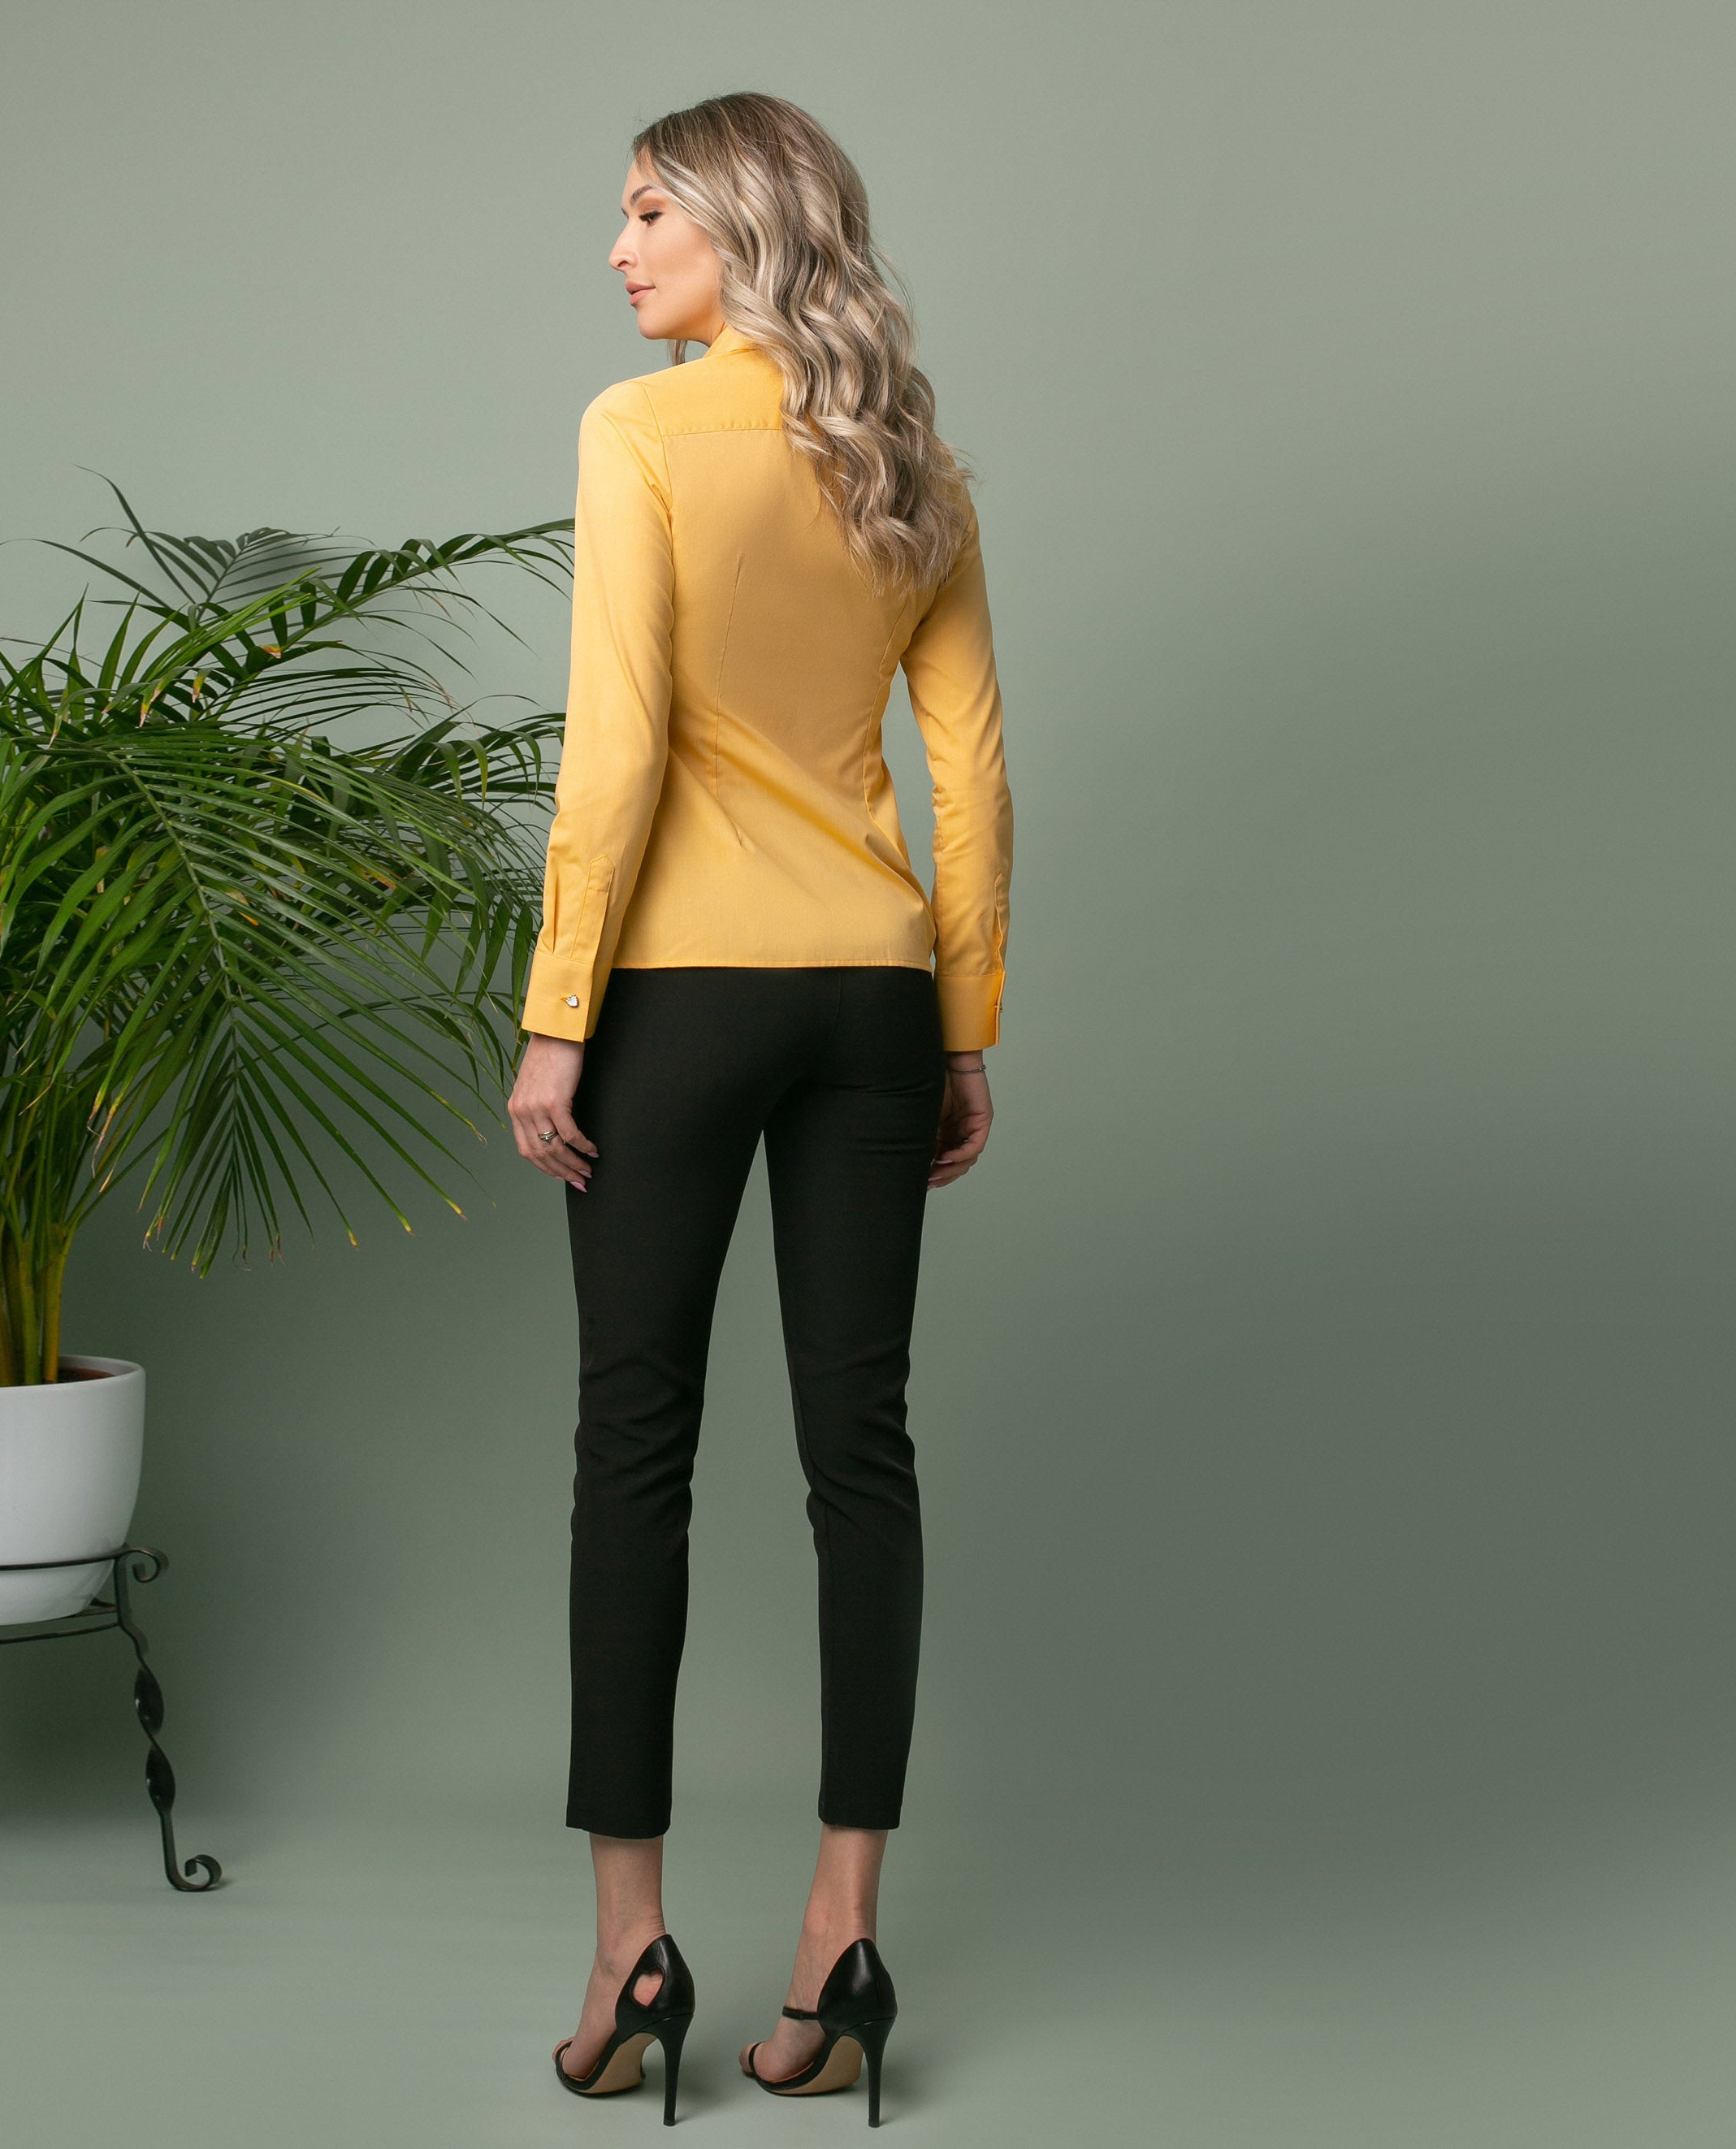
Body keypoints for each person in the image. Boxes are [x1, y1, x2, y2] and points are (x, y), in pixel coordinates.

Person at [508, 90, 1012, 2128]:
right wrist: (965, 1020)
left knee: (636, 1449)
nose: (619, 250)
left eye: (650, 211)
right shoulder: (910, 460)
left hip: (677, 1000)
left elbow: (618, 744)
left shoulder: (639, 433)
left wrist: (558, 1017)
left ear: (741, 224)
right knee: (859, 1455)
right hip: (875, 999)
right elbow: (970, 766)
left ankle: (632, 1956)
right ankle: (840, 1938)